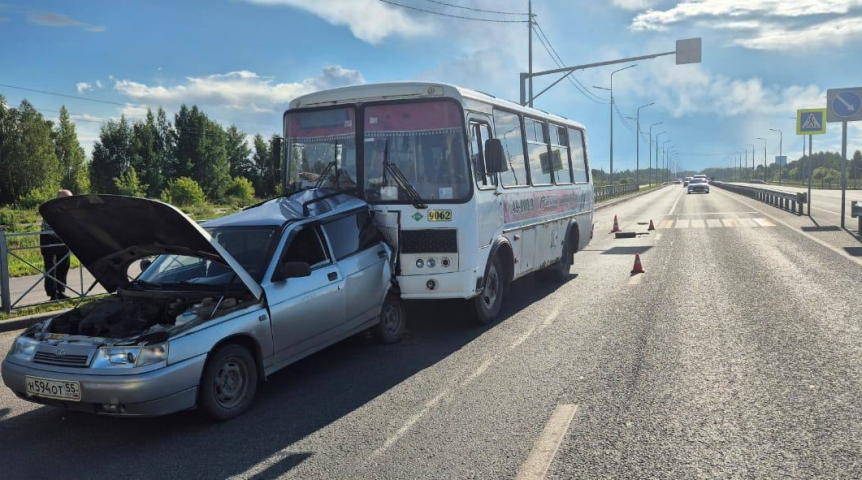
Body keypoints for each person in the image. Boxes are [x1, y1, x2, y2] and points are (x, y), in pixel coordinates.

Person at [40, 189, 73, 300]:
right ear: (58, 199)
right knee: (51, 267)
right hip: (48, 239)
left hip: (63, 239)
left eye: (69, 199)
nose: (67, 201)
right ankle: (53, 294)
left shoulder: (68, 209)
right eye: (65, 199)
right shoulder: (50, 209)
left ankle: (61, 291)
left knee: (64, 265)